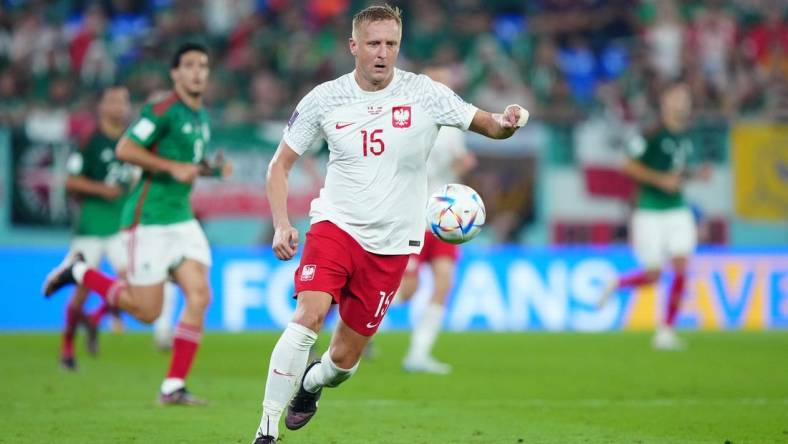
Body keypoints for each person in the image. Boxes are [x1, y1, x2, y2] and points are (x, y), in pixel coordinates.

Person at [250, 5, 528, 443]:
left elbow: (487, 124)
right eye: (374, 44)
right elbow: (279, 166)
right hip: (335, 226)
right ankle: (266, 429)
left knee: (343, 362)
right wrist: (282, 223)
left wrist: (508, 122)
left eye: (391, 44)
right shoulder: (324, 98)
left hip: (393, 243)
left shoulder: (425, 93)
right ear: (353, 46)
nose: (383, 53)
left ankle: (310, 384)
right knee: (309, 313)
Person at [43, 42, 232, 404]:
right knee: (147, 312)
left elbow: (184, 166)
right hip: (148, 221)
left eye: (203, 65)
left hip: (182, 220)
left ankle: (172, 386)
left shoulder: (201, 118)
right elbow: (126, 149)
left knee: (200, 295)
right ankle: (79, 272)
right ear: (175, 74)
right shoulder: (160, 110)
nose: (197, 71)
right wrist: (170, 168)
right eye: (189, 64)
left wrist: (210, 170)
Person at [597, 81, 710, 350]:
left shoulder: (686, 136)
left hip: (678, 209)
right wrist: (659, 180)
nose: (682, 103)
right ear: (665, 102)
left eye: (685, 98)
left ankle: (666, 331)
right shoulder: (650, 133)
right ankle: (617, 282)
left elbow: (676, 174)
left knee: (682, 264)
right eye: (676, 97)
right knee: (654, 275)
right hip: (649, 211)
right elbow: (626, 164)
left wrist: (696, 175)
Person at [396, 66, 477, 375]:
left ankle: (418, 354)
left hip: (444, 219)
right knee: (407, 290)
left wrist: (463, 166)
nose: (446, 88)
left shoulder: (455, 125)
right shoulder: (410, 122)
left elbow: (455, 167)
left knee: (444, 281)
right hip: (413, 214)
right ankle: (355, 322)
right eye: (439, 82)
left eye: (448, 82)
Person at [57, 85, 137, 371]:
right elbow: (70, 181)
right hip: (91, 225)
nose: (119, 106)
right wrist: (102, 189)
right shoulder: (90, 140)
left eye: (123, 101)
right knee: (81, 290)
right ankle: (67, 347)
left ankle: (94, 320)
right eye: (113, 100)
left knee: (131, 283)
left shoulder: (132, 141)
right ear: (101, 106)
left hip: (120, 226)